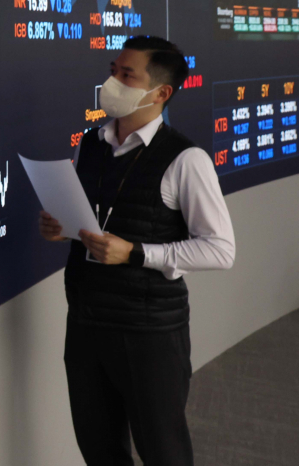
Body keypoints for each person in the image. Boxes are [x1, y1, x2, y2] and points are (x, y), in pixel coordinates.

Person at [39, 36, 235, 466]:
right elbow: (94, 221)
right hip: (87, 321)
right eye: (113, 70)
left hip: (149, 334)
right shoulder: (90, 144)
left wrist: (137, 253)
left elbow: (221, 249)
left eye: (127, 75)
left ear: (161, 92)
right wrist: (63, 229)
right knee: (99, 448)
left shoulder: (186, 159)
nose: (113, 82)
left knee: (163, 451)